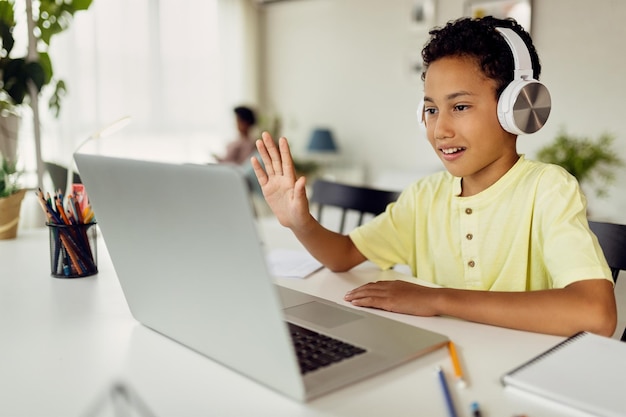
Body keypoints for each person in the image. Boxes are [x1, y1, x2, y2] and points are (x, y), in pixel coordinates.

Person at [250, 16, 617, 337]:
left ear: (517, 110)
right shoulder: (423, 197)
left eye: (459, 107)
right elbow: (343, 255)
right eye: (430, 109)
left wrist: (437, 299)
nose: (439, 129)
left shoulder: (547, 190)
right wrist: (301, 223)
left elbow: (596, 314)